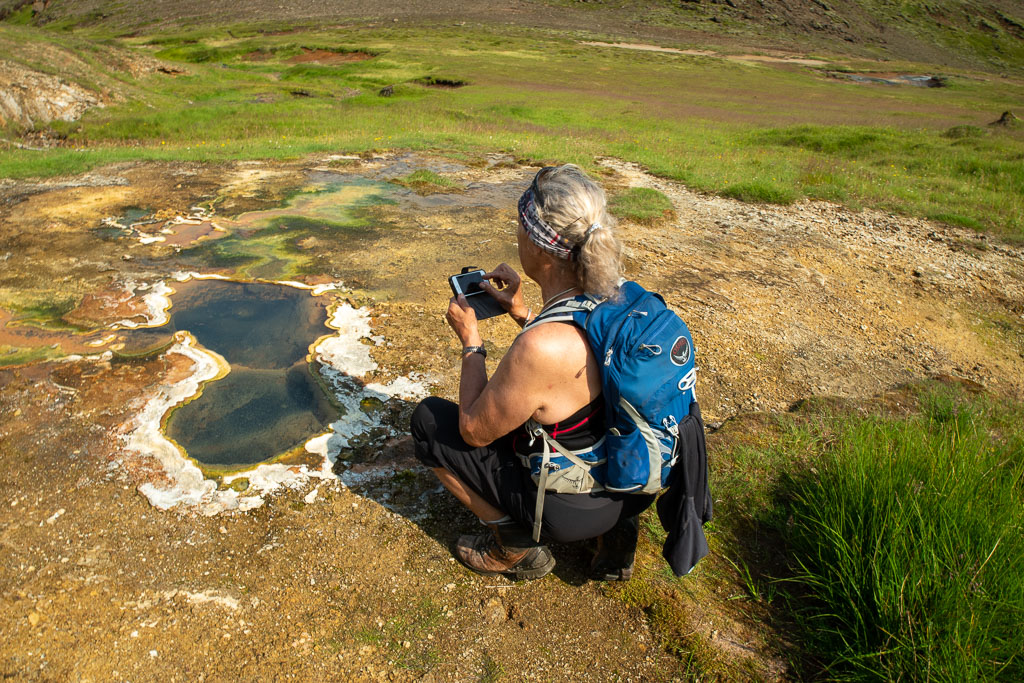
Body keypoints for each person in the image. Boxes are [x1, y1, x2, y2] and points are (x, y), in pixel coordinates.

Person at [410, 164, 655, 581]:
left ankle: (515, 544)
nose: (517, 235)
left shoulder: (540, 347)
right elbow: (578, 367)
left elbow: (473, 429)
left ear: (541, 249)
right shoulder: (624, 299)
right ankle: (617, 538)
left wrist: (471, 341)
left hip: (570, 509)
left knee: (428, 421)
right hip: (632, 483)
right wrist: (523, 313)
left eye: (521, 227)